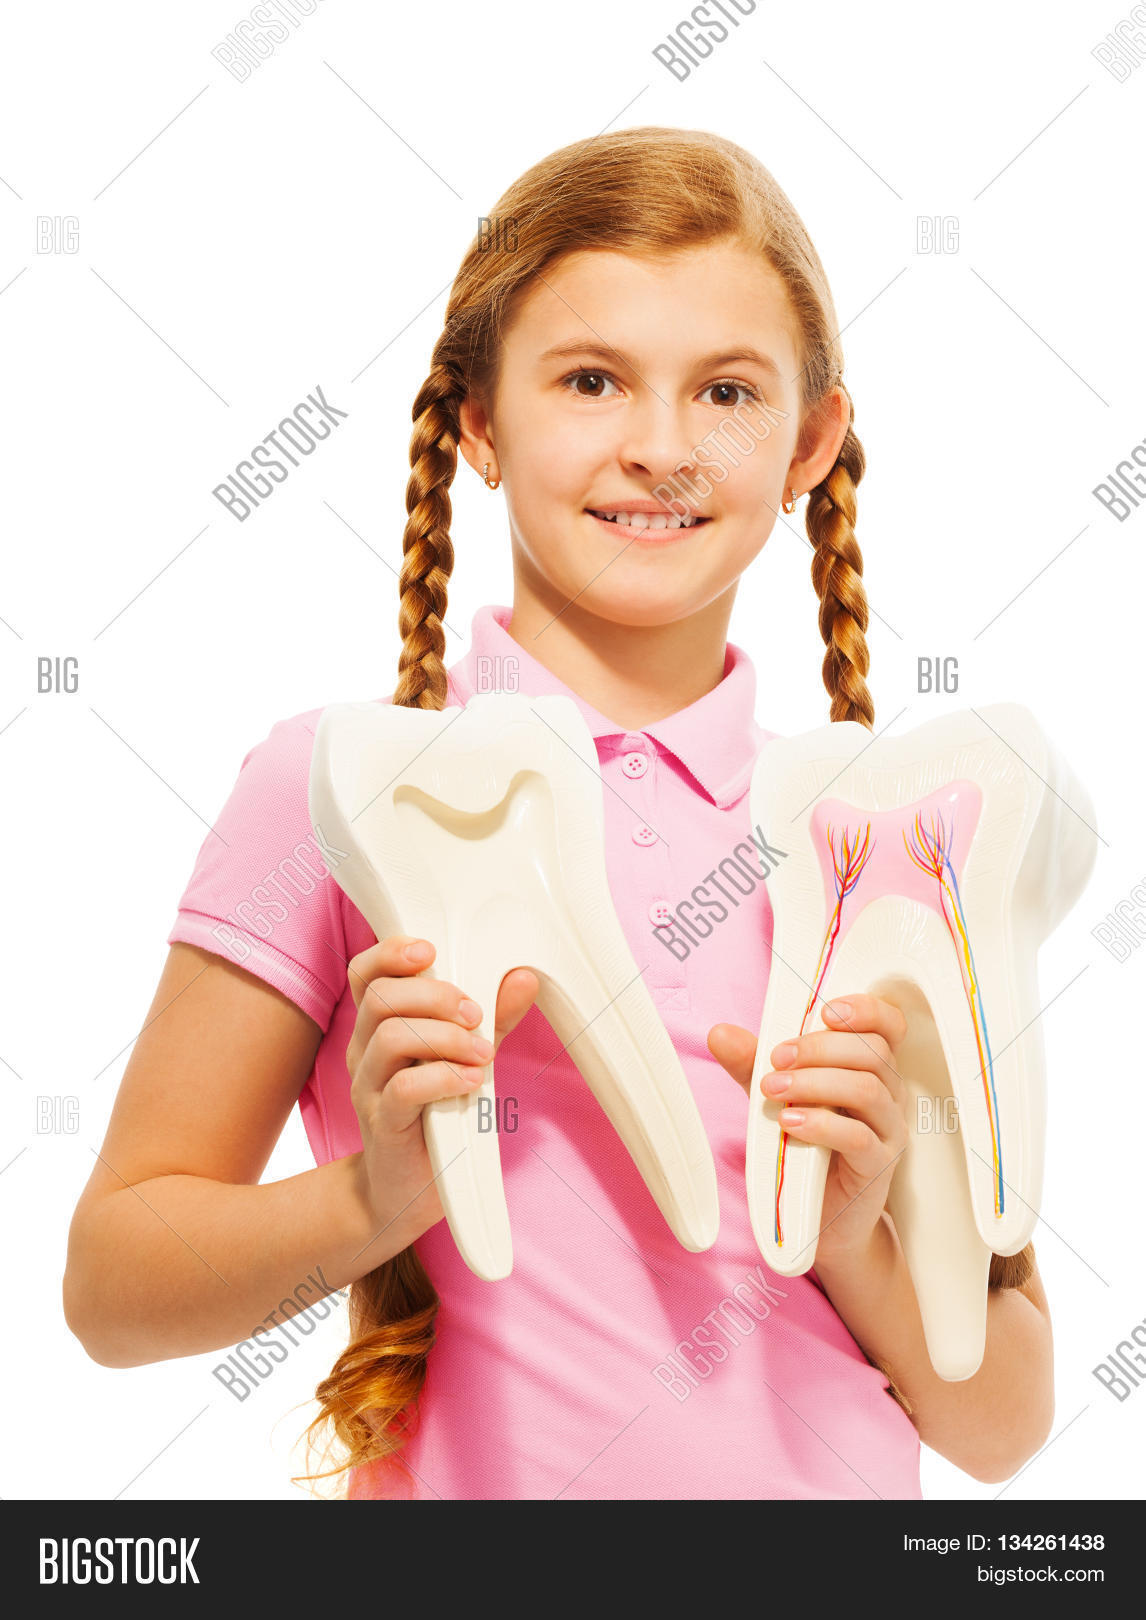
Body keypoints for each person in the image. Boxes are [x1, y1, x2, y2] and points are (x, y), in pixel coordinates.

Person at [63, 127, 1053, 1500]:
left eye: (724, 392)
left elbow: (1001, 1426)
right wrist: (373, 1200)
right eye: (590, 380)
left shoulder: (877, 841)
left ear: (809, 440)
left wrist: (853, 1238)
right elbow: (114, 1291)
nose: (658, 448)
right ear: (476, 418)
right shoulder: (337, 791)